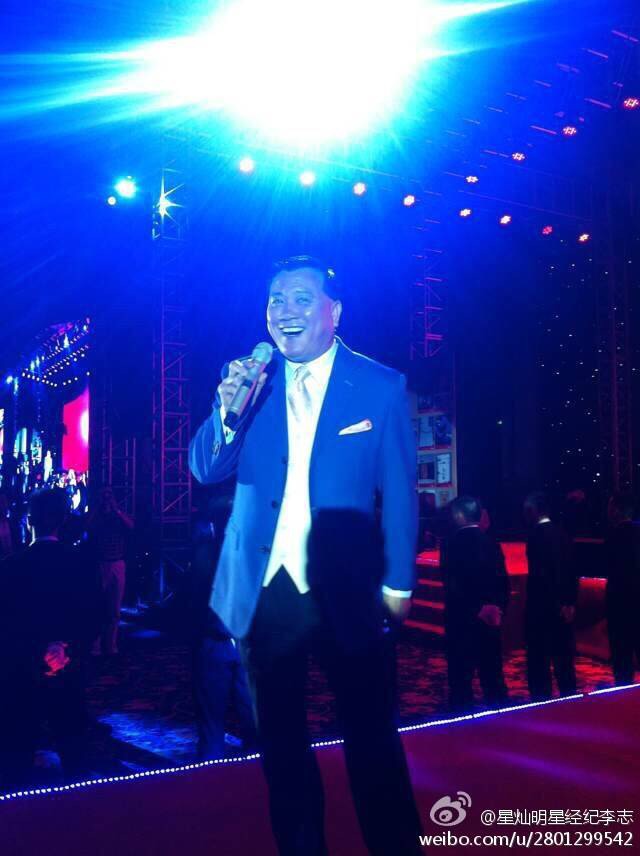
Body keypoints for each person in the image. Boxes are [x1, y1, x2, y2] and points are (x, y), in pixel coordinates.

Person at [189, 256, 422, 855]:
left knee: (372, 737)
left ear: (333, 311)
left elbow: (400, 492)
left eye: (299, 298)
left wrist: (398, 583)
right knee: (281, 744)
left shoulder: (380, 385)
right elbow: (205, 468)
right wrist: (225, 412)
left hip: (348, 589)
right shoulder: (249, 382)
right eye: (275, 300)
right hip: (264, 590)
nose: (284, 312)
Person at [0, 488, 100, 789]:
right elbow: (94, 615)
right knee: (74, 751)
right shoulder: (81, 563)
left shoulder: (12, 566)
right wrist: (67, 648)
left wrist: (36, 651)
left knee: (17, 754)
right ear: (63, 521)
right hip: (69, 667)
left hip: (23, 669)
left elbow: (7, 622)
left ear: (29, 520)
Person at [442, 496, 509, 711]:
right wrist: (498, 608)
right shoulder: (491, 542)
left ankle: (463, 725)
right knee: (493, 677)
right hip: (491, 619)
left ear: (458, 515)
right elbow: (503, 581)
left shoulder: (450, 544)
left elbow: (452, 585)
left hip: (461, 621)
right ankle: (502, 721)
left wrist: (475, 609)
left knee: (461, 680)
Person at [523, 492, 578, 700]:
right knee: (565, 663)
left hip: (541, 608)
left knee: (539, 663)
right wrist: (569, 602)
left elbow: (540, 577)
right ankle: (570, 703)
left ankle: (542, 707)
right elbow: (571, 571)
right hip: (563, 607)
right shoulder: (562, 533)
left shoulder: (535, 537)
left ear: (532, 511)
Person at [88, 487, 134, 655]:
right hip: (101, 563)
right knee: (99, 605)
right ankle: (96, 644)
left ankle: (111, 644)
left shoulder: (118, 516)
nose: (107, 498)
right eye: (104, 495)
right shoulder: (97, 516)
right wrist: (98, 507)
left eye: (109, 495)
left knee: (115, 608)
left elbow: (131, 525)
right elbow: (87, 526)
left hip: (117, 562)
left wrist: (116, 509)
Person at [604, 493, 640, 685]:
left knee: (622, 662)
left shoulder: (613, 536)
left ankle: (625, 696)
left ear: (616, 510)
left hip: (620, 606)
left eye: (610, 507)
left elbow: (609, 569)